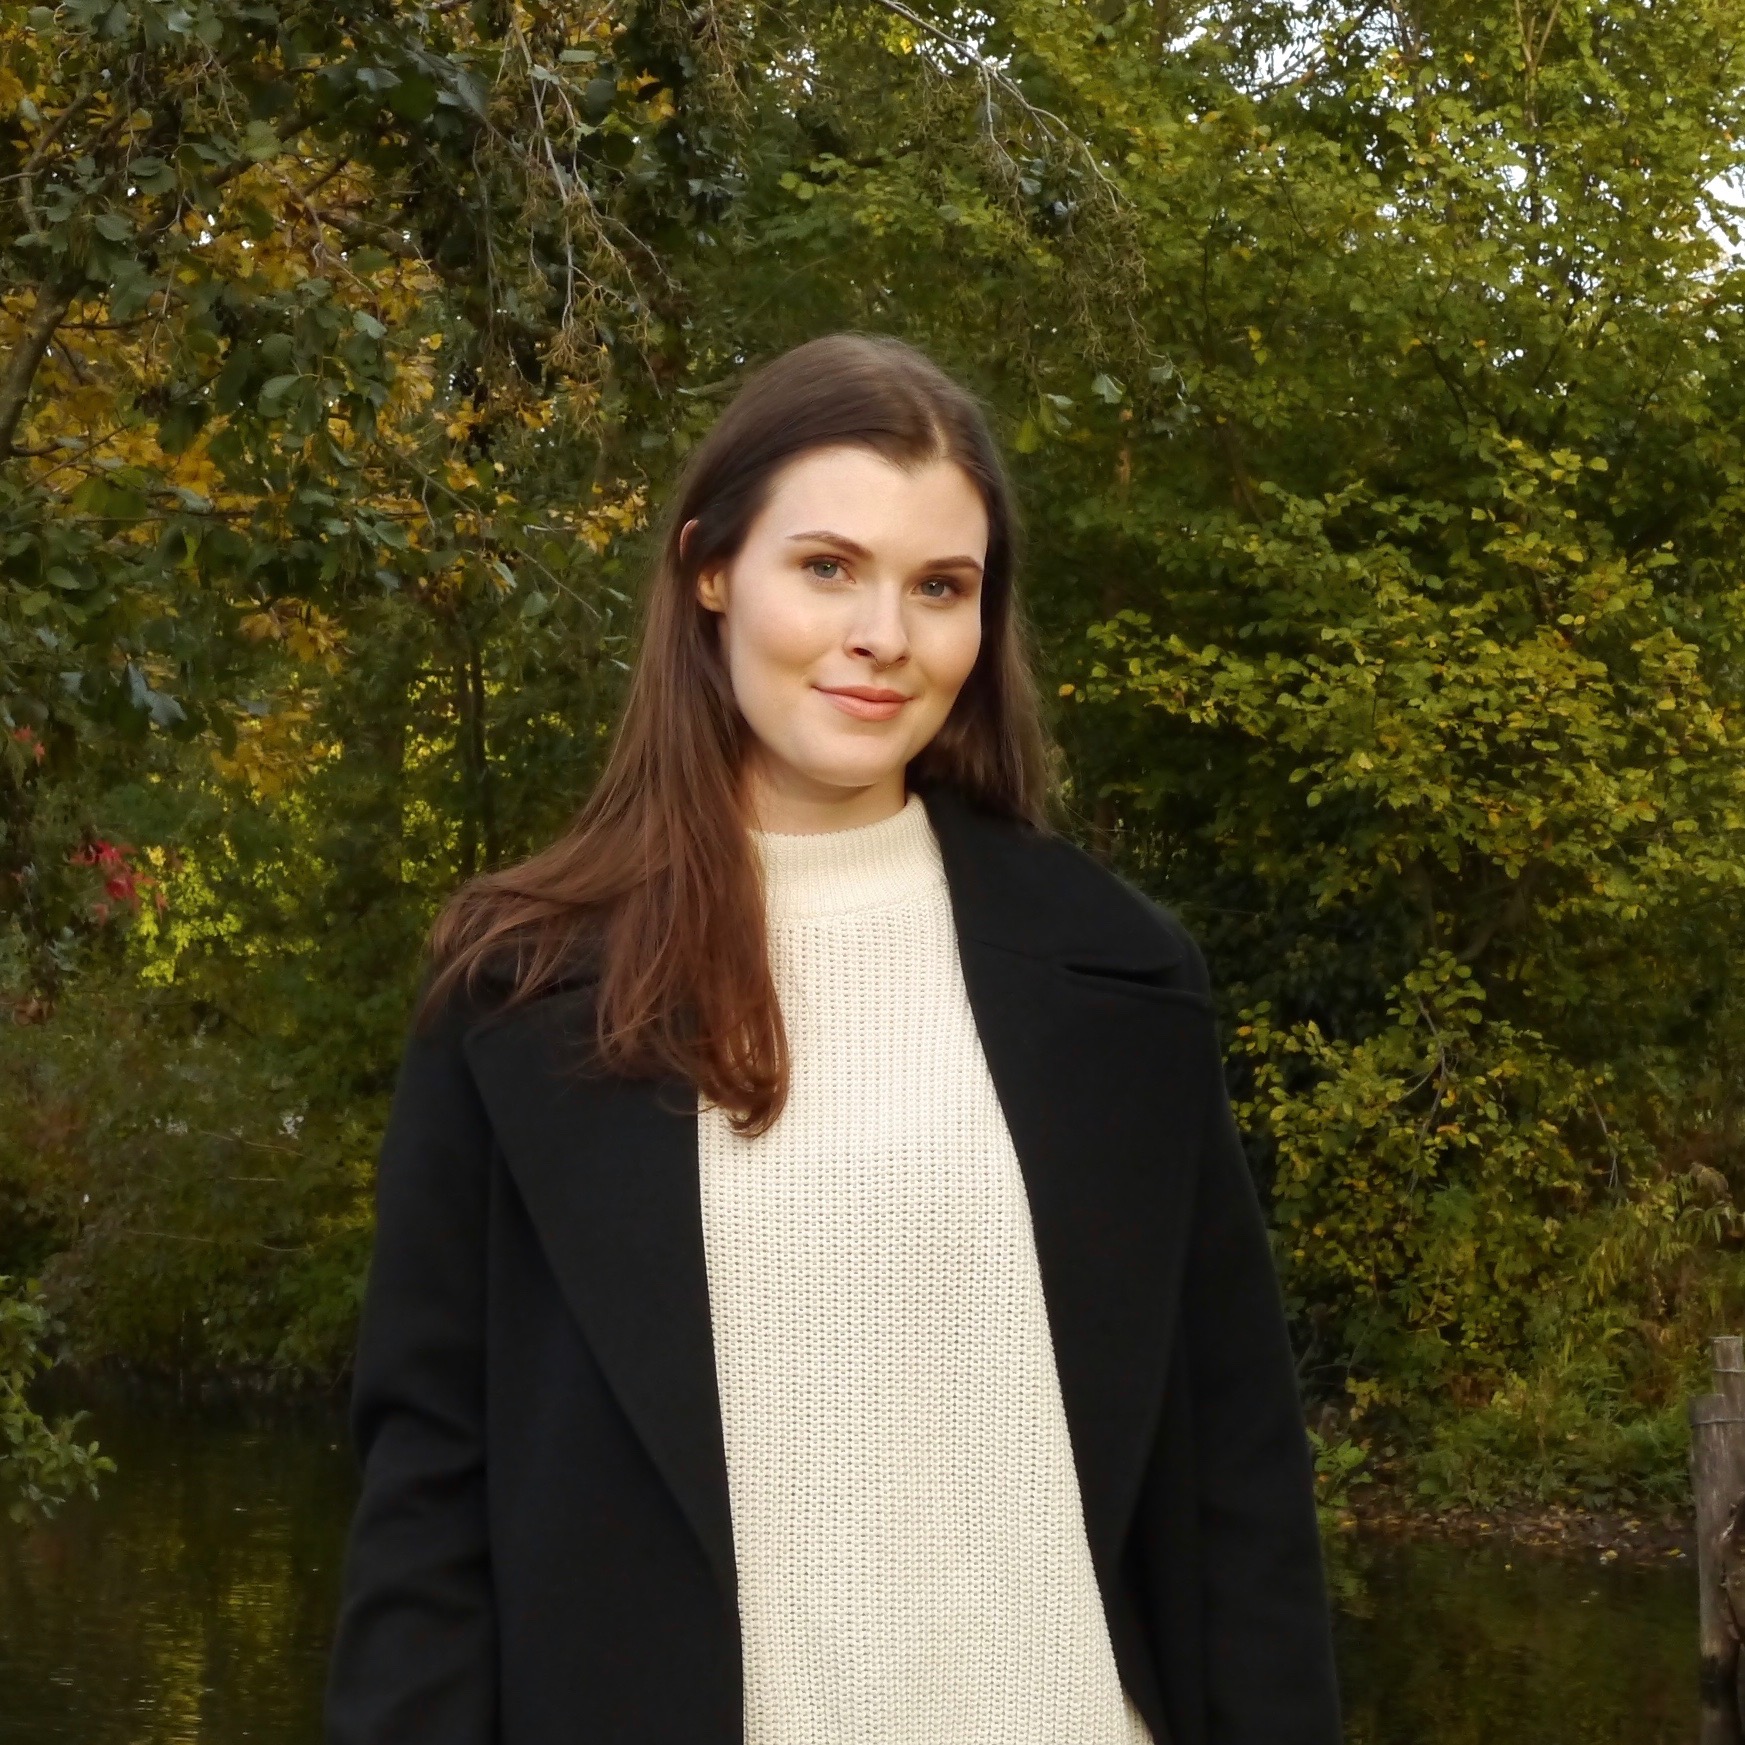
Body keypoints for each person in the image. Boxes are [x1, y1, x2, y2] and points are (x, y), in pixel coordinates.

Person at [323, 333, 1341, 1745]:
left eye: (941, 587)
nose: (885, 635)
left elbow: (1237, 1489)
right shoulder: (520, 988)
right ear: (709, 569)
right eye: (827, 567)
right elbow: (428, 1496)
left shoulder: (1118, 979)